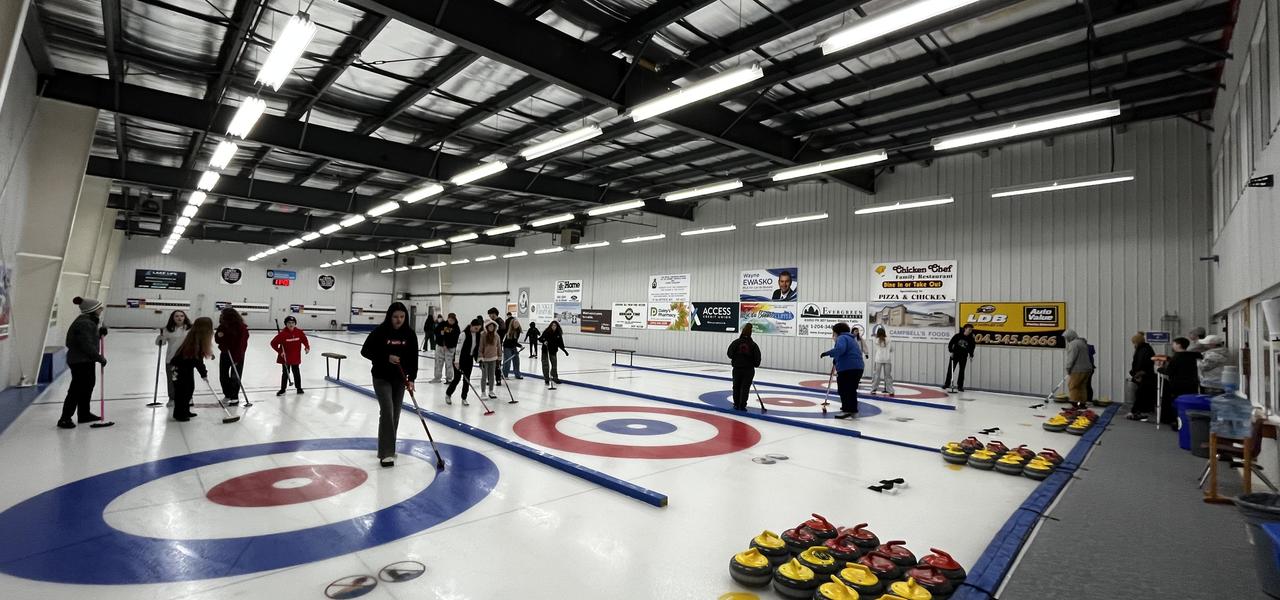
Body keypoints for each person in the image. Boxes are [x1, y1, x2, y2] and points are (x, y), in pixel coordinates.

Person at [359, 302, 418, 467]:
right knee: (387, 411)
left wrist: (411, 379)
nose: (399, 320)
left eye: (402, 317)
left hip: (400, 378)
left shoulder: (410, 334)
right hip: (381, 377)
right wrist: (387, 357)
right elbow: (365, 351)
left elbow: (414, 358)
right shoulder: (380, 331)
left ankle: (389, 447)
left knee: (396, 414)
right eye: (395, 317)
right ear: (389, 317)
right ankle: (386, 453)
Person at [58, 297, 108, 429]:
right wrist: (99, 357)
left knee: (87, 386)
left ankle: (84, 413)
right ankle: (65, 418)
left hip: (86, 360)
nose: (101, 309)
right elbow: (85, 345)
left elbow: (90, 339)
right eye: (99, 307)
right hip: (80, 361)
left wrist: (99, 334)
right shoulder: (84, 323)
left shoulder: (89, 322)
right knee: (77, 389)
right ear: (92, 310)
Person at [170, 317, 213, 422]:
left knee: (189, 390)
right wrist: (203, 373)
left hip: (186, 368)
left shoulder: (196, 337)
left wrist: (203, 373)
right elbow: (198, 361)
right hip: (178, 368)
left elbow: (197, 360)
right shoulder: (195, 341)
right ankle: (179, 414)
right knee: (182, 392)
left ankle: (185, 410)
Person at [821, 322, 865, 419]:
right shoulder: (851, 339)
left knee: (844, 389)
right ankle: (852, 410)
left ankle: (846, 410)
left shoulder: (841, 338)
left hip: (848, 368)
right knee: (851, 390)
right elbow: (848, 352)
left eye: (833, 333)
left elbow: (840, 349)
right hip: (858, 368)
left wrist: (828, 353)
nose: (833, 335)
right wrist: (836, 359)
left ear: (837, 332)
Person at [1158, 337, 1202, 426]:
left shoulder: (1176, 357)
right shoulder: (1193, 356)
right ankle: (1189, 420)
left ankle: (1177, 420)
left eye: (1174, 344)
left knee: (1177, 402)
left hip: (1177, 384)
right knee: (1190, 401)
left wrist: (1160, 369)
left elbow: (1169, 372)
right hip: (1192, 383)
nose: (1172, 345)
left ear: (1179, 345)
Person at [154, 310, 190, 407]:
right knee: (172, 380)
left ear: (185, 317)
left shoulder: (189, 329)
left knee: (187, 380)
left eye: (182, 316)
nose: (179, 318)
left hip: (186, 359)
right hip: (172, 359)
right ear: (172, 318)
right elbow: (161, 343)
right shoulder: (168, 329)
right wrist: (160, 337)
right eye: (177, 316)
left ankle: (188, 398)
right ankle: (172, 398)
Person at [214, 308, 249, 405]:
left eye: (223, 314)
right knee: (223, 375)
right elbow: (217, 339)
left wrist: (237, 358)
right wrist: (219, 336)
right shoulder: (222, 326)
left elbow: (242, 345)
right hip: (225, 353)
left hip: (237, 354)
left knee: (235, 376)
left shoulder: (241, 327)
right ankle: (227, 394)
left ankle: (234, 397)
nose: (221, 316)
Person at [270, 316, 311, 395]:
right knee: (285, 373)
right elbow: (273, 343)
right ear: (286, 324)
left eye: (293, 323)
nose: (291, 324)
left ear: (295, 323)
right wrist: (280, 351)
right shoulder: (282, 334)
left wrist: (307, 347)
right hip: (285, 358)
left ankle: (299, 388)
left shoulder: (299, 332)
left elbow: (304, 340)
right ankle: (283, 389)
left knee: (296, 372)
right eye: (289, 323)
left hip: (295, 357)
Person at [726, 324, 761, 411]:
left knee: (736, 387)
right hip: (748, 370)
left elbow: (729, 354)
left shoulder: (735, 343)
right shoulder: (754, 345)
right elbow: (757, 362)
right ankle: (742, 405)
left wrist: (737, 358)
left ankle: (736, 404)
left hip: (737, 369)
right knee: (745, 388)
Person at [446, 319, 481, 405]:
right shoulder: (463, 334)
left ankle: (464, 398)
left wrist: (478, 359)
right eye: (476, 328)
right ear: (471, 326)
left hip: (469, 359)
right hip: (460, 360)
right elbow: (458, 349)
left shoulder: (477, 335)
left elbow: (476, 349)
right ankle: (448, 394)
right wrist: (456, 362)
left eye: (479, 329)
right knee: (457, 379)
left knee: (467, 380)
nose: (477, 330)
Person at [1126, 332, 1157, 421]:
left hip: (1143, 375)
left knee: (1140, 394)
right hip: (1145, 374)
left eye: (1134, 342)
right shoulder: (1147, 348)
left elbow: (1140, 363)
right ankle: (1141, 411)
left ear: (1137, 342)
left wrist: (1136, 374)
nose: (1133, 345)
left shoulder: (1142, 350)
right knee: (1143, 394)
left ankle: (1135, 412)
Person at [1063, 330, 1093, 410]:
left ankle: (1073, 405)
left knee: (1073, 386)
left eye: (1066, 338)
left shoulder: (1073, 344)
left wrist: (1068, 368)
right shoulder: (1082, 343)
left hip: (1078, 369)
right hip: (1087, 369)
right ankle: (1082, 404)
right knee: (1082, 387)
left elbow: (1071, 358)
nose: (1066, 339)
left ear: (1070, 336)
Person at [943, 324, 976, 393]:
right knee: (951, 370)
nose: (970, 331)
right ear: (965, 329)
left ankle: (960, 386)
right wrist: (951, 351)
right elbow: (951, 343)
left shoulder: (971, 339)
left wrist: (971, 355)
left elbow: (972, 348)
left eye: (971, 330)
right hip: (955, 355)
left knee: (962, 371)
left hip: (963, 356)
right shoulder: (958, 336)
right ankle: (947, 384)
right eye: (969, 329)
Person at [540, 320, 569, 389]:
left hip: (553, 351)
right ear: (550, 326)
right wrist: (544, 341)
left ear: (557, 326)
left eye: (555, 325)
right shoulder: (547, 331)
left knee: (554, 365)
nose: (554, 327)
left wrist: (565, 351)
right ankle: (546, 379)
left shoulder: (558, 333)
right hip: (545, 350)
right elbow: (540, 339)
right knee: (545, 365)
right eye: (552, 325)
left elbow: (560, 343)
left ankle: (555, 377)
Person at [432, 313, 459, 383]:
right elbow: (435, 331)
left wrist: (448, 345)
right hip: (440, 347)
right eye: (450, 319)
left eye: (453, 320)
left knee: (449, 364)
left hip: (450, 349)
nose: (451, 321)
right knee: (438, 363)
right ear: (448, 318)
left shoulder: (456, 327)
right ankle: (437, 378)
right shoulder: (442, 324)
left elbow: (455, 338)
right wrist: (440, 334)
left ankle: (449, 378)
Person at [479, 321, 502, 399]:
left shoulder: (496, 336)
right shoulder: (483, 335)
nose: (491, 328)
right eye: (490, 326)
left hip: (493, 358)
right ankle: (483, 392)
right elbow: (480, 347)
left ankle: (491, 391)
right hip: (484, 359)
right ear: (487, 327)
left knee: (492, 375)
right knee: (484, 376)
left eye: (493, 326)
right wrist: (480, 357)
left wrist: (499, 357)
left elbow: (499, 347)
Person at [869, 327, 895, 395]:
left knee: (876, 375)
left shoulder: (875, 340)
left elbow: (875, 349)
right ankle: (891, 391)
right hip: (887, 359)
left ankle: (873, 389)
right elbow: (892, 349)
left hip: (878, 359)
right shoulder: (889, 339)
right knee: (888, 376)